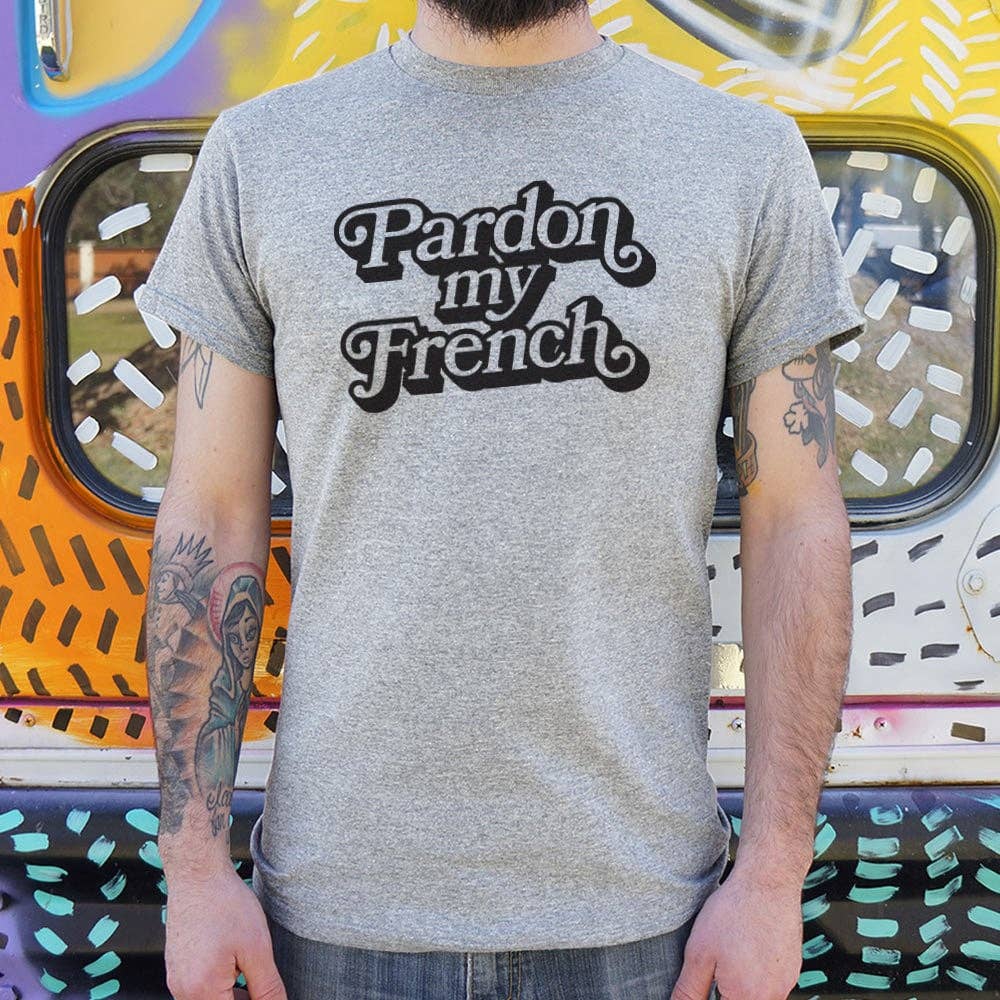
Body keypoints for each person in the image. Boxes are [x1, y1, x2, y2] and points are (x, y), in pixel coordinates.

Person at [138, 1, 867, 997]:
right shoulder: (260, 155)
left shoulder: (744, 157)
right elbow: (213, 518)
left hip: (644, 912)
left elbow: (795, 519)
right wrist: (192, 871)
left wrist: (775, 877)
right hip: (336, 912)